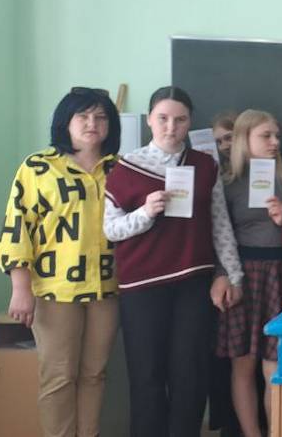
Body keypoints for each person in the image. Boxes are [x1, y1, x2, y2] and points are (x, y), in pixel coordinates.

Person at [104, 86, 244, 437]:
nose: (171, 127)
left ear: (189, 122)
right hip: (142, 286)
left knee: (190, 375)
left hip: (193, 283)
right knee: (147, 376)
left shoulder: (205, 165)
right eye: (163, 118)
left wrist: (231, 274)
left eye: (180, 120)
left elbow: (219, 224)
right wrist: (145, 212)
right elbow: (111, 229)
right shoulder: (126, 167)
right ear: (150, 120)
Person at [0, 87, 121, 437]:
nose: (92, 123)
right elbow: (17, 227)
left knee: (94, 374)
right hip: (54, 290)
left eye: (100, 117)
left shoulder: (120, 168)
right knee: (58, 376)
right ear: (65, 121)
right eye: (83, 116)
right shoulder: (38, 167)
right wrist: (20, 287)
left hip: (107, 287)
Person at [218, 109, 282, 437]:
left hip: (281, 274)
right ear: (244, 139)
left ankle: (276, 431)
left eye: (277, 135)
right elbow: (218, 235)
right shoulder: (227, 183)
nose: (275, 142)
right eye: (266, 136)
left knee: (275, 366)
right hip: (244, 275)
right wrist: (224, 276)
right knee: (242, 364)